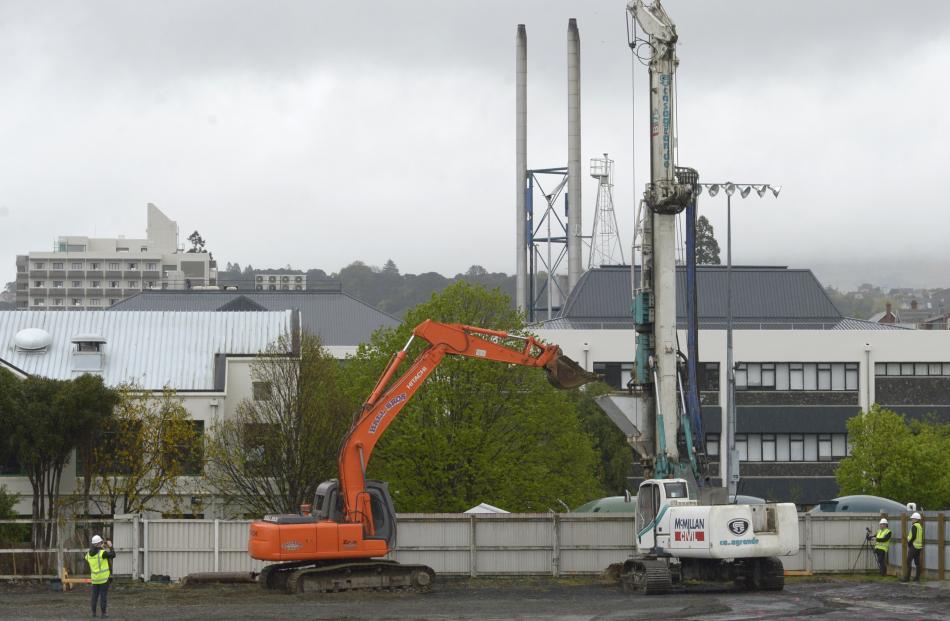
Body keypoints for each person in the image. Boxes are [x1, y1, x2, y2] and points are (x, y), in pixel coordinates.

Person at [85, 534, 115, 617]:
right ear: (99, 543)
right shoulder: (102, 553)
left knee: (94, 596)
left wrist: (99, 546)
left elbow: (92, 552)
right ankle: (103, 613)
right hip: (103, 579)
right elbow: (113, 555)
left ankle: (93, 613)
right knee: (103, 597)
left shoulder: (88, 554)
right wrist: (110, 546)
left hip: (95, 579)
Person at [902, 512, 923, 582]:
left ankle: (907, 578)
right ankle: (917, 578)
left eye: (912, 519)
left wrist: (909, 543)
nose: (912, 520)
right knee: (917, 562)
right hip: (919, 547)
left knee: (908, 561)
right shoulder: (920, 526)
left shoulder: (914, 526)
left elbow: (913, 536)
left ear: (915, 519)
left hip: (913, 546)